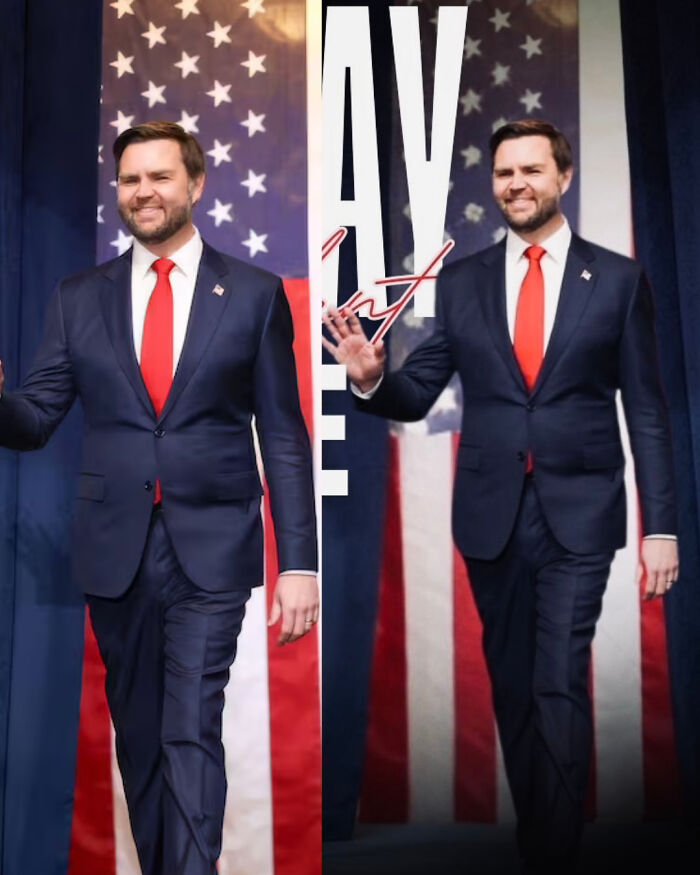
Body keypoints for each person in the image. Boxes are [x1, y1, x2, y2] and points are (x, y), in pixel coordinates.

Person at [322, 119, 677, 873]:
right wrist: (369, 377)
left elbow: (646, 408)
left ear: (564, 176)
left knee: (555, 679)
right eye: (504, 172)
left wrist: (662, 528)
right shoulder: (464, 281)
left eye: (531, 170)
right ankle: (543, 837)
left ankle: (549, 854)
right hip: (489, 517)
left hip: (581, 513)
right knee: (516, 686)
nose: (516, 183)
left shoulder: (616, 279)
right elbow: (418, 391)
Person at [0, 121, 318, 875]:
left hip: (212, 547)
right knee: (141, 739)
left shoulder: (254, 294)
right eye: (130, 180)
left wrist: (299, 563)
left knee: (187, 728)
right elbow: (37, 416)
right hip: (114, 552)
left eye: (160, 177)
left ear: (196, 185)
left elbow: (283, 435)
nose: (143, 192)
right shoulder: (79, 297)